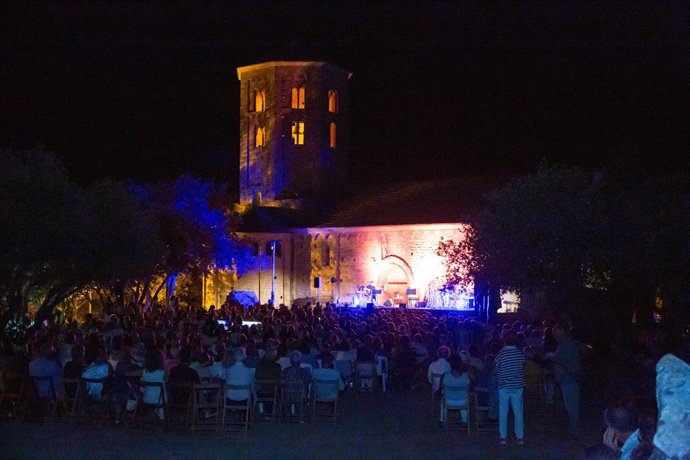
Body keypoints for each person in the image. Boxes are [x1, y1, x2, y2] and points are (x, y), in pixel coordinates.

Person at [495, 329, 525, 445]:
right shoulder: (520, 354)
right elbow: (522, 366)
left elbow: (496, 369)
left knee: (503, 412)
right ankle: (520, 437)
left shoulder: (501, 354)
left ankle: (503, 437)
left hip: (504, 386)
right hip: (517, 386)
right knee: (518, 412)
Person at [552, 325, 580, 437]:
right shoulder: (564, 344)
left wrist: (554, 359)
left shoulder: (567, 345)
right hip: (566, 378)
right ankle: (571, 428)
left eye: (557, 333)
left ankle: (574, 430)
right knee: (570, 404)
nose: (555, 336)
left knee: (571, 404)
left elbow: (565, 361)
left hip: (569, 378)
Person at [439, 354, 470, 427]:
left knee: (442, 399)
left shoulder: (445, 375)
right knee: (466, 396)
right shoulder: (466, 376)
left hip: (448, 401)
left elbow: (441, 387)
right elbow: (469, 388)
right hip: (463, 402)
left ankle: (442, 420)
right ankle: (464, 420)